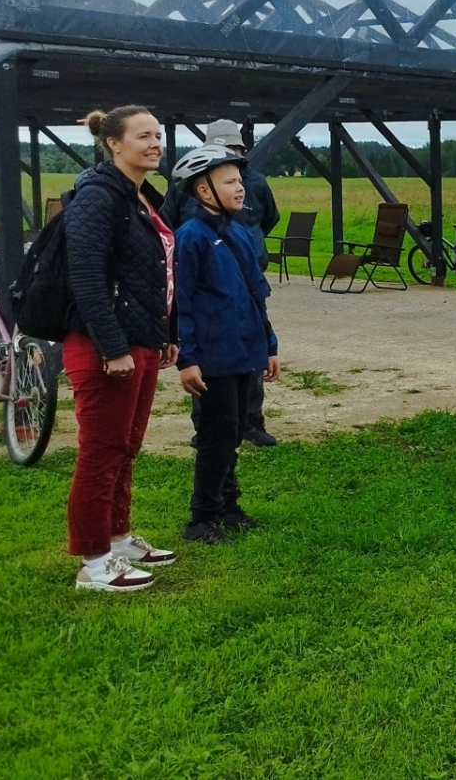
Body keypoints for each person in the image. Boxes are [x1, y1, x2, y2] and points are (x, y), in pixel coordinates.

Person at [65, 106, 179, 592]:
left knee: (126, 445)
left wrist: (164, 334)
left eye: (158, 135)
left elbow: (152, 275)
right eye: (143, 136)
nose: (155, 144)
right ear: (113, 143)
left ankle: (118, 537)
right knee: (102, 450)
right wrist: (113, 347)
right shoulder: (98, 195)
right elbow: (87, 276)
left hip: (140, 340)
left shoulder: (136, 197)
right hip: (104, 345)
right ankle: (94, 562)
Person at [170, 144, 281, 545]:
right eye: (230, 182)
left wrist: (268, 345)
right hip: (212, 359)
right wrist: (188, 358)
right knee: (215, 438)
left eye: (239, 180)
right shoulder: (191, 238)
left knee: (234, 432)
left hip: (243, 352)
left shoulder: (238, 232)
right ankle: (201, 520)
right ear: (203, 192)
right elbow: (179, 302)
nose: (241, 189)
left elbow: (255, 293)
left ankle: (229, 507)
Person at [164, 119, 282, 449]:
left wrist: (249, 242)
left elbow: (270, 217)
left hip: (246, 275)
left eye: (234, 151)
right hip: (205, 279)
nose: (229, 156)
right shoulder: (188, 202)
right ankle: (205, 426)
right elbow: (167, 222)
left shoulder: (255, 184)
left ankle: (252, 422)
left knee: (248, 347)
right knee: (213, 360)